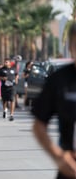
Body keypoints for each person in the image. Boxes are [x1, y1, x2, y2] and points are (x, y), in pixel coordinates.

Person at [32, 22, 76, 179]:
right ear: (70, 46)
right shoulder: (59, 80)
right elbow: (39, 125)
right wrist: (59, 157)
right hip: (70, 168)